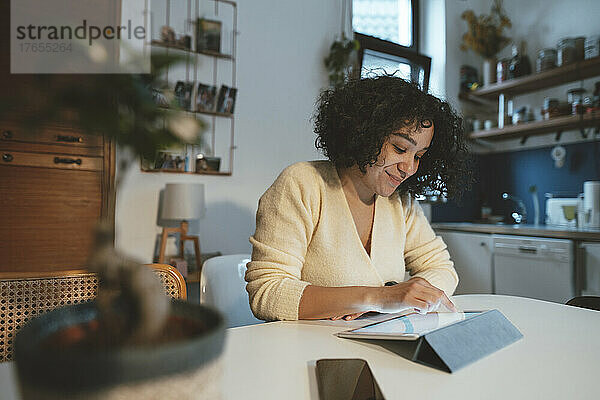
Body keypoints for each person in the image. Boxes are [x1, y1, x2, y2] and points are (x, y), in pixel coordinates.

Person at [246, 76, 472, 321]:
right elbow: (267, 293)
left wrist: (405, 299)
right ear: (364, 134)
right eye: (399, 148)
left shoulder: (400, 202)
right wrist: (380, 297)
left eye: (419, 156)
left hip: (378, 347)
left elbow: (442, 269)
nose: (409, 168)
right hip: (309, 351)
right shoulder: (302, 183)